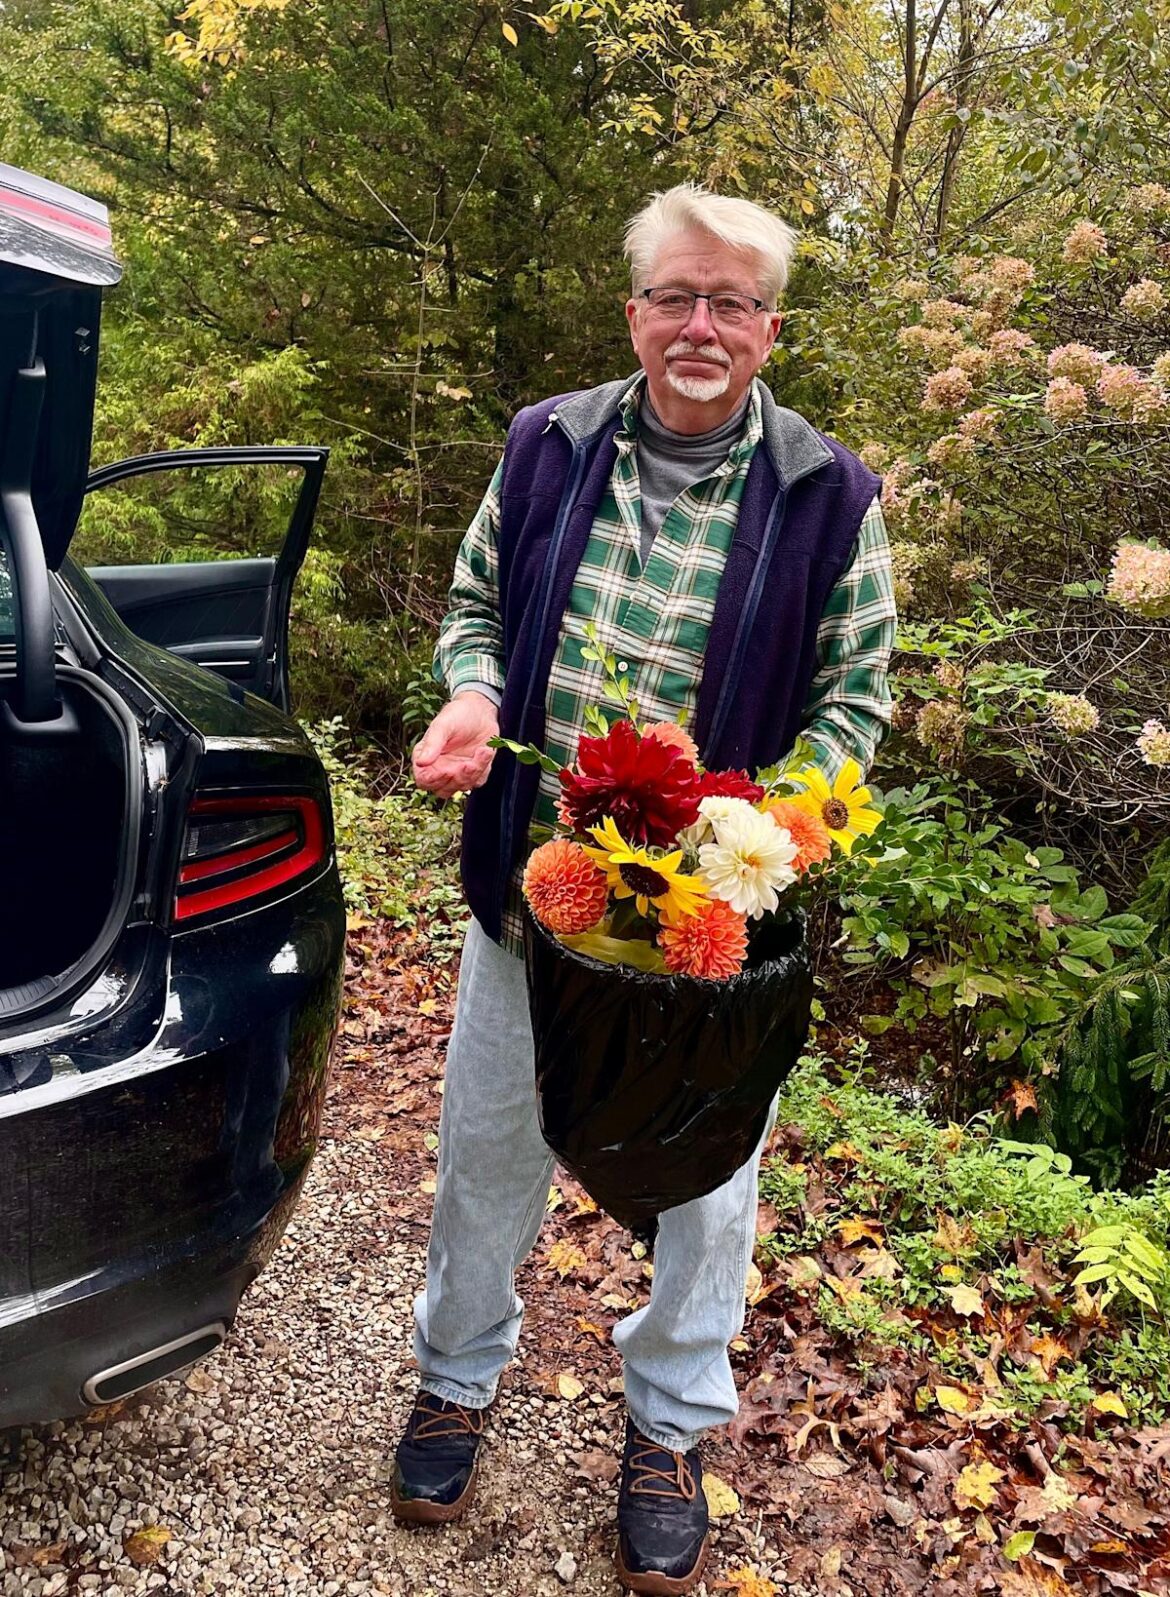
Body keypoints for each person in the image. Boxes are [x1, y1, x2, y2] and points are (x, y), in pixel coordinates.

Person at [399, 183, 896, 1595]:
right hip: (536, 888)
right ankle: (454, 1379)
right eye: (675, 296)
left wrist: (760, 827)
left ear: (768, 329)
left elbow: (854, 702)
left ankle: (669, 1428)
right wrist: (475, 694)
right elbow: (474, 609)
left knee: (708, 1183)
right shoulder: (545, 446)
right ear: (634, 313)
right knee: (488, 1149)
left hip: (702, 923)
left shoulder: (828, 495)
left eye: (731, 303)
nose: (700, 326)